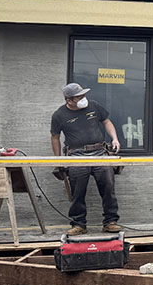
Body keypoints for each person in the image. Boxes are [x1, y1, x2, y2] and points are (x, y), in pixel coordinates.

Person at [50, 83, 122, 235]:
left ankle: (110, 222)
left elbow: (107, 121)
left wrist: (115, 139)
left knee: (108, 187)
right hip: (76, 155)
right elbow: (55, 137)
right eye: (79, 97)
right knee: (77, 192)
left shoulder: (94, 106)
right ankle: (79, 224)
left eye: (83, 95)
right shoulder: (59, 115)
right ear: (69, 100)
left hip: (99, 153)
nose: (83, 98)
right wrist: (58, 160)